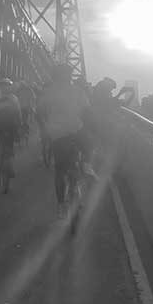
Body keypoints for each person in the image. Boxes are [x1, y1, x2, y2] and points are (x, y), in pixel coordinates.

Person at [37, 64, 91, 218]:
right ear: (69, 75)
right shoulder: (78, 91)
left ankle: (61, 205)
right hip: (76, 131)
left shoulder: (48, 92)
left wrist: (45, 129)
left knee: (60, 170)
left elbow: (39, 112)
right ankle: (87, 165)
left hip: (57, 135)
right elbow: (87, 112)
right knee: (90, 144)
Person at [0, 78, 22, 191]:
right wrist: (20, 124)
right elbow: (18, 113)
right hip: (10, 126)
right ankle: (10, 166)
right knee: (10, 145)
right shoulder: (14, 98)